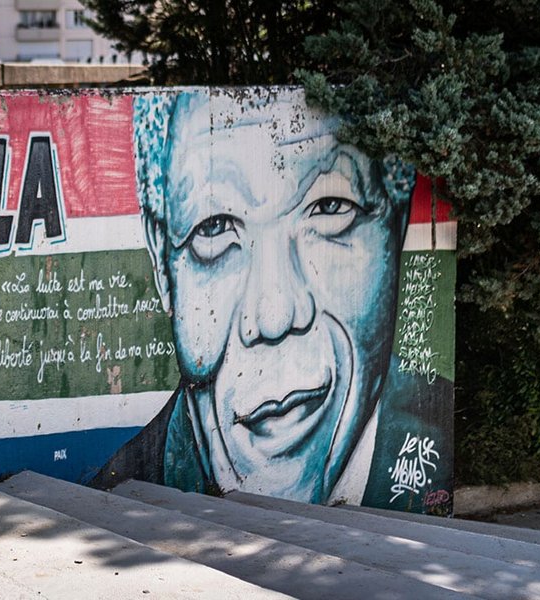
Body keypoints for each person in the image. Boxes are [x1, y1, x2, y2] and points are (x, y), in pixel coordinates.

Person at [96, 89, 447, 507]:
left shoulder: (431, 435)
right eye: (214, 228)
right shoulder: (118, 493)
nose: (275, 315)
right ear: (162, 266)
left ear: (397, 221)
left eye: (329, 207)